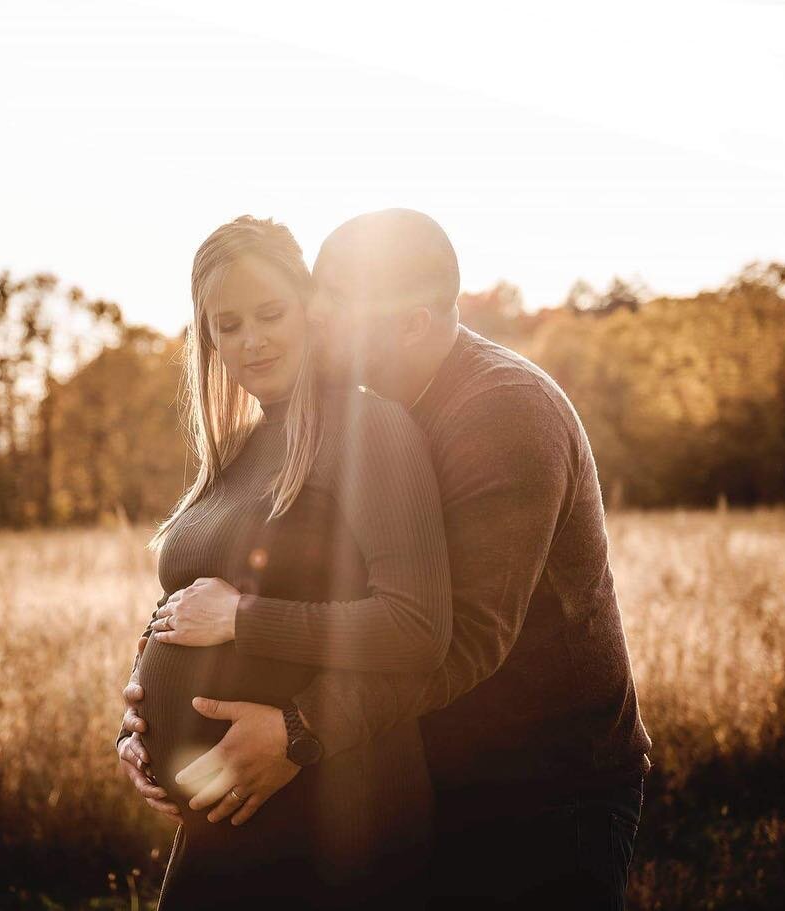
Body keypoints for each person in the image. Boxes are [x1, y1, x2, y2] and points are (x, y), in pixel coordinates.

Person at [123, 209, 653, 909]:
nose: (318, 327)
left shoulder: (501, 414)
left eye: (335, 311)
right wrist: (143, 702)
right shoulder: (320, 424)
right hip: (440, 768)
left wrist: (298, 731)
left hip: (545, 792)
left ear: (412, 323)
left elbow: (458, 639)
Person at [115, 215, 453, 909]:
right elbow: (184, 604)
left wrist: (244, 620)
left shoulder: (369, 429)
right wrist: (135, 726)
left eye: (270, 313)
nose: (252, 340)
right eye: (228, 324)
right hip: (224, 817)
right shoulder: (237, 451)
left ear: (310, 310)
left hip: (331, 813)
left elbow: (419, 625)